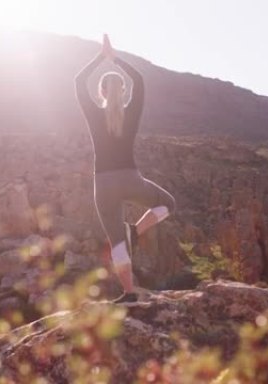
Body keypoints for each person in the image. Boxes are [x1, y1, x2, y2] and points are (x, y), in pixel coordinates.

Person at [74, 34, 176, 303]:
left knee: (117, 243)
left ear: (102, 93)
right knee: (167, 204)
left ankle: (128, 292)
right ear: (123, 92)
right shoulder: (132, 112)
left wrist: (101, 57)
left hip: (103, 184)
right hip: (131, 178)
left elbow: (78, 82)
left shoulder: (95, 115)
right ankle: (136, 230)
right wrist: (116, 59)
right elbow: (139, 81)